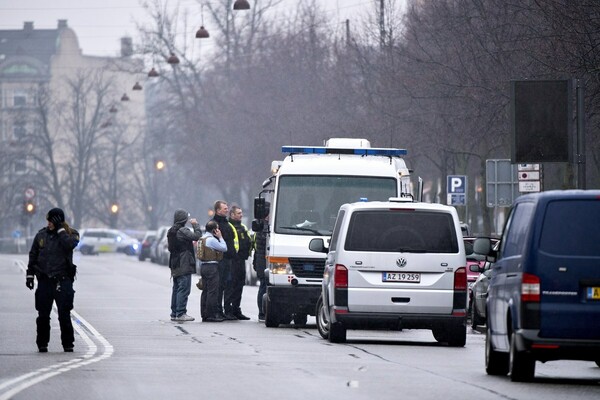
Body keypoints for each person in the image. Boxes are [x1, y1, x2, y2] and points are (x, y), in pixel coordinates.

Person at [26, 208, 80, 353]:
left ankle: (68, 344)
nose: (48, 223)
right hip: (44, 280)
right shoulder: (41, 235)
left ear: (58, 221)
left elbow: (70, 245)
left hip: (62, 280)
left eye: (51, 221)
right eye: (48, 221)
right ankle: (42, 343)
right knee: (43, 315)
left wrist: (61, 230)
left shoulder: (71, 234)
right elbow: (33, 255)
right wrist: (30, 275)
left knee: (64, 314)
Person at [167, 209, 202, 322]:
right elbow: (197, 236)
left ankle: (174, 312)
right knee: (184, 288)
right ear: (183, 219)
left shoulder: (171, 231)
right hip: (184, 263)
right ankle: (181, 313)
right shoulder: (183, 230)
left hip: (175, 263)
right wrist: (195, 225)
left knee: (176, 288)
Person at [224, 205, 252, 320]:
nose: (241, 215)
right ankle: (228, 310)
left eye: (241, 213)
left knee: (240, 285)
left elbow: (248, 241)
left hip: (241, 260)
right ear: (232, 214)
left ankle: (236, 309)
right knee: (231, 286)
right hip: (232, 261)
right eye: (238, 213)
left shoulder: (243, 227)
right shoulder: (229, 226)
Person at [211, 200, 237, 320]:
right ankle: (217, 311)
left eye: (227, 208)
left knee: (227, 285)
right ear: (218, 210)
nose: (227, 210)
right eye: (224, 208)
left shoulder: (226, 223)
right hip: (220, 260)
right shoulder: (214, 224)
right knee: (219, 286)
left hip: (228, 260)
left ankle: (226, 310)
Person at [199, 220, 227, 322]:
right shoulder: (211, 240)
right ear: (214, 230)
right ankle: (211, 315)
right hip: (212, 267)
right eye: (217, 228)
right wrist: (220, 237)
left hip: (203, 266)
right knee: (212, 291)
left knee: (205, 291)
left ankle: (204, 314)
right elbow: (224, 248)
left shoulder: (202, 238)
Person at [253, 212, 269, 321]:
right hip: (262, 261)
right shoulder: (263, 227)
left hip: (261, 260)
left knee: (264, 286)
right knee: (263, 286)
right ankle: (261, 313)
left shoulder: (263, 225)